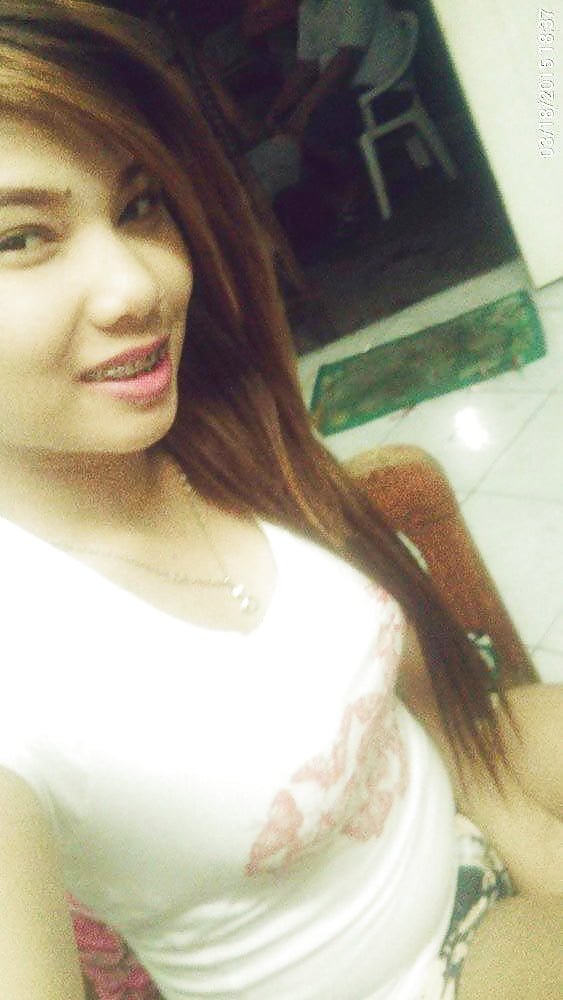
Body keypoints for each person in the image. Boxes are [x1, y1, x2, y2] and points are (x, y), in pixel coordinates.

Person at [0, 3, 561, 1000]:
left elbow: (412, 677)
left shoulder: (213, 432)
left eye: (138, 206)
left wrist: (523, 837)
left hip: (465, 786)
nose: (137, 286)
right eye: (19, 238)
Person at [263, 0, 414, 212]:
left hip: (385, 92)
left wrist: (303, 113)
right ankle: (339, 193)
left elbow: (346, 61)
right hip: (348, 96)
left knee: (315, 123)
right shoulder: (308, 8)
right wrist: (275, 111)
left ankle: (355, 184)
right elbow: (305, 67)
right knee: (293, 124)